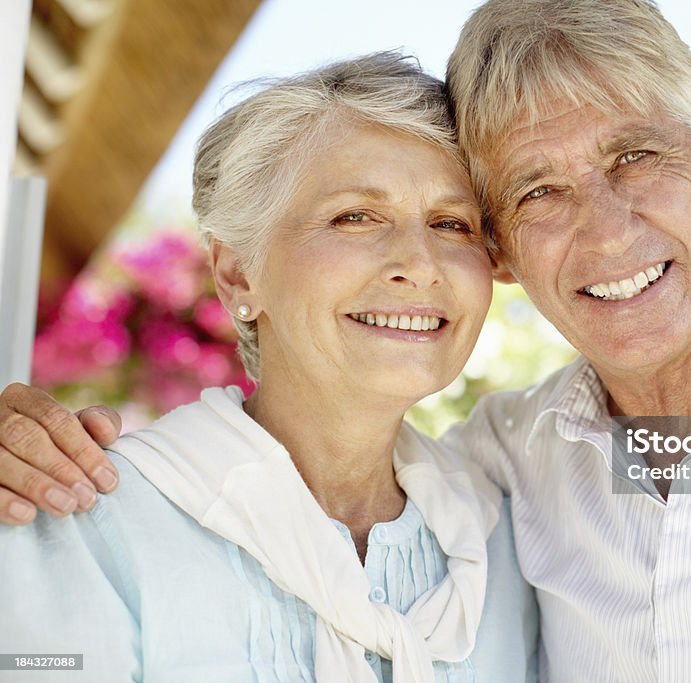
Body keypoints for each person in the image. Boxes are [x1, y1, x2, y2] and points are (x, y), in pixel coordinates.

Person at [2, 0, 691, 680]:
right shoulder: (511, 474)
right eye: (537, 192)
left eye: (637, 154)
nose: (606, 227)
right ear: (504, 250)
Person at [0, 53, 538, 682]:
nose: (419, 263)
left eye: (452, 224)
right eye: (355, 216)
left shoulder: (508, 535)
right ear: (237, 274)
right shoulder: (83, 517)